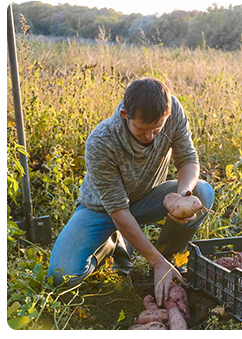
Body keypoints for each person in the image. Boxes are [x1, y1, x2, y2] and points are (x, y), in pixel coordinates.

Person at [48, 77, 214, 306]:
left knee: (202, 192)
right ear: (126, 115)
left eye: (157, 130)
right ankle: (110, 243)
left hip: (146, 198)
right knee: (61, 276)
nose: (150, 137)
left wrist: (183, 196)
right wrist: (152, 260)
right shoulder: (102, 141)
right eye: (142, 131)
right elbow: (118, 210)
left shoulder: (172, 110)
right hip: (101, 209)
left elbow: (188, 159)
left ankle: (167, 260)